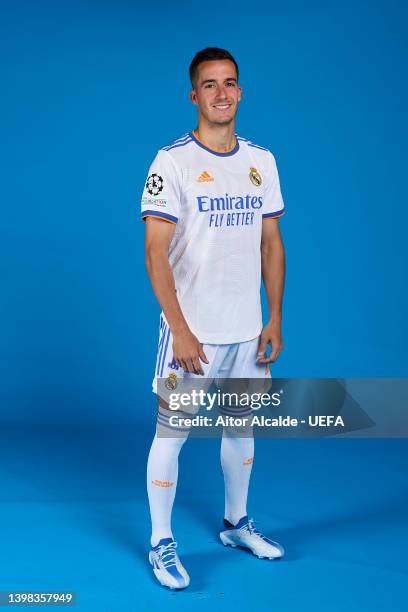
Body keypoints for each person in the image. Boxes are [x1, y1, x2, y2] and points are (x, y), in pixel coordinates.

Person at [141, 47, 286, 590]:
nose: (221, 93)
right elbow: (156, 251)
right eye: (209, 84)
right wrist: (179, 327)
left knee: (241, 427)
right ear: (194, 95)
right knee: (172, 433)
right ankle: (160, 541)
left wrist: (273, 319)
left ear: (240, 91)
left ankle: (235, 522)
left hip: (247, 329)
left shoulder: (262, 161)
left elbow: (272, 244)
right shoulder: (172, 162)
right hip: (193, 334)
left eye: (230, 83)